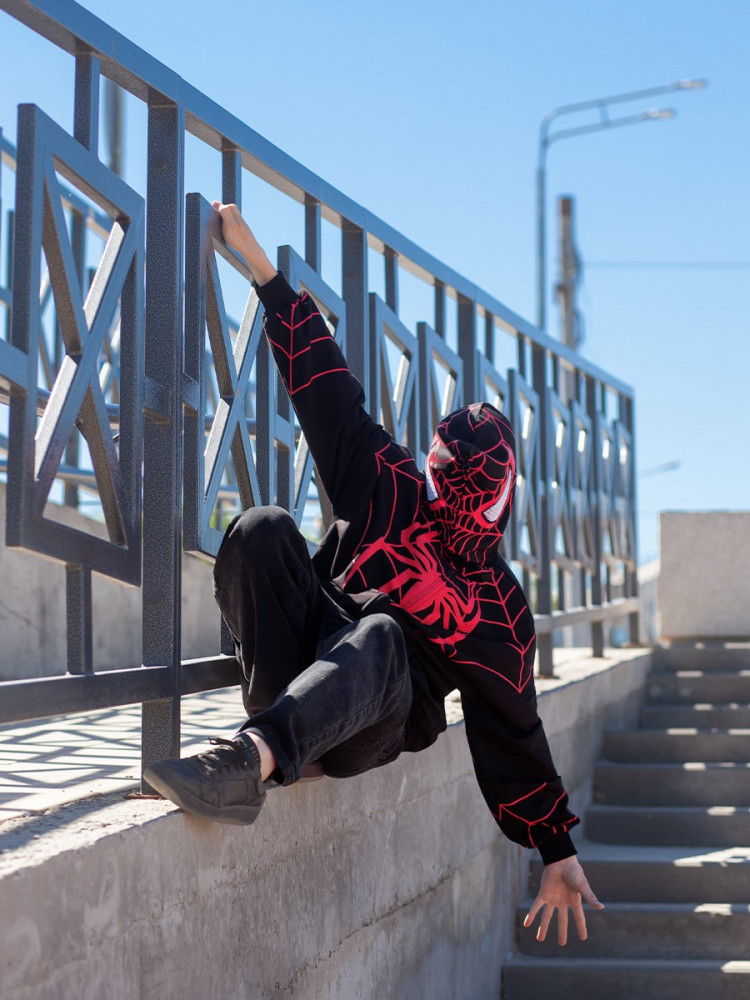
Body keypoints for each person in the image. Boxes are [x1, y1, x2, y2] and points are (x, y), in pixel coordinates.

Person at [145, 202, 604, 946]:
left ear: (498, 496)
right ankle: (274, 727)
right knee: (263, 528)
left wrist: (557, 852)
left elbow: (515, 730)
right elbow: (329, 392)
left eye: (463, 482)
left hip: (371, 723)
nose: (444, 490)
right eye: (441, 470)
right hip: (301, 664)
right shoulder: (390, 483)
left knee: (384, 634)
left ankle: (245, 763)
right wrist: (263, 272)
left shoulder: (500, 610)